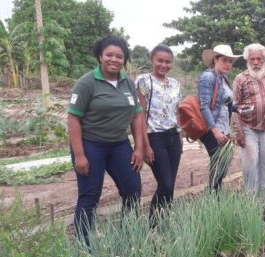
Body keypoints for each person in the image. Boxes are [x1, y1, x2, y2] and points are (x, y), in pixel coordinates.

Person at [67, 36, 144, 245]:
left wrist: (139, 148)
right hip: (91, 144)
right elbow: (73, 117)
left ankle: (129, 237)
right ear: (100, 56)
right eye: (109, 55)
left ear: (124, 59)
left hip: (119, 144)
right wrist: (80, 154)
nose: (114, 59)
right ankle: (85, 246)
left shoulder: (127, 81)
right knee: (90, 196)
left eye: (120, 56)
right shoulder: (87, 83)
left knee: (132, 190)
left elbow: (137, 115)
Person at [232, 43, 265, 200]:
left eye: (259, 59)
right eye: (252, 59)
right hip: (248, 129)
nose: (255, 62)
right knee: (250, 167)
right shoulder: (241, 79)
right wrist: (239, 132)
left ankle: (261, 204)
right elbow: (234, 107)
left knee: (264, 166)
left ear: (264, 60)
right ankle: (251, 205)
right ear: (247, 60)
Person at [135, 44, 182, 223]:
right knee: (165, 183)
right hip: (155, 138)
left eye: (168, 62)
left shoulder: (175, 84)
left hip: (173, 137)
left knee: (170, 186)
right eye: (160, 61)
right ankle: (154, 225)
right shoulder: (143, 81)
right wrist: (145, 145)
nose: (164, 65)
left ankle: (165, 221)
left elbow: (176, 111)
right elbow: (139, 115)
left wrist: (179, 137)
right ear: (152, 60)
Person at [198, 44, 242, 191]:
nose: (228, 64)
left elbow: (223, 103)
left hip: (223, 127)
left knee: (222, 165)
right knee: (218, 165)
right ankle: (214, 201)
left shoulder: (223, 78)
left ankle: (216, 198)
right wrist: (215, 131)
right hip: (213, 128)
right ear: (215, 59)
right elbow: (204, 106)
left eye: (230, 61)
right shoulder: (208, 77)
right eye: (225, 60)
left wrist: (238, 109)